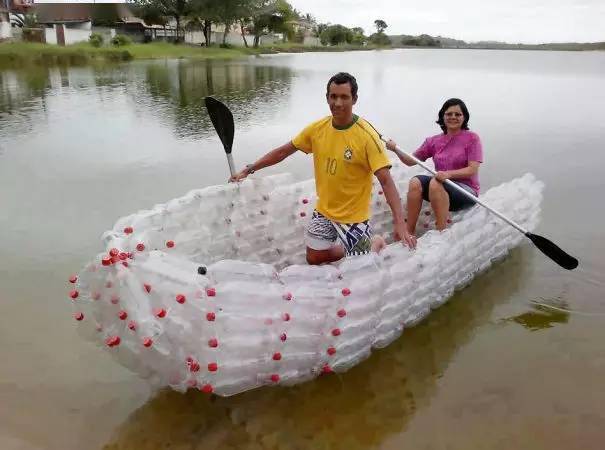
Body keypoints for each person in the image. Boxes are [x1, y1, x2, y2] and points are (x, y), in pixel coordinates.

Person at [230, 72, 416, 265]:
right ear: (327, 97)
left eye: (344, 97)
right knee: (314, 258)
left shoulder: (367, 136)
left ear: (355, 99)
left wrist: (399, 223)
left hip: (354, 217)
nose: (337, 103)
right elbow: (283, 152)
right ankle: (352, 248)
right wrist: (249, 169)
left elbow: (386, 181)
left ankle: (374, 243)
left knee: (360, 269)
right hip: (325, 211)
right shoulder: (317, 129)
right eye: (333, 96)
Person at [386, 98, 483, 234]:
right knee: (415, 182)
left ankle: (440, 232)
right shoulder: (433, 141)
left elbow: (472, 169)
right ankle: (409, 233)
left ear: (464, 117)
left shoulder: (472, 138)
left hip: (466, 192)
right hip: (440, 186)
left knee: (435, 182)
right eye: (449, 114)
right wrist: (395, 149)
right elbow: (410, 161)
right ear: (442, 116)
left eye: (457, 114)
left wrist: (448, 174)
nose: (453, 117)